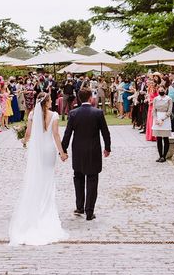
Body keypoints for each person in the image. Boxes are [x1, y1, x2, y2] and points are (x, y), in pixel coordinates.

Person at [8, 92, 69, 246]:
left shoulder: (32, 115)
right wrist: (62, 153)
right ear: (47, 102)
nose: (52, 101)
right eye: (50, 100)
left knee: (37, 179)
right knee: (48, 179)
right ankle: (46, 209)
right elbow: (55, 135)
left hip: (37, 152)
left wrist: (23, 140)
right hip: (48, 151)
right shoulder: (54, 115)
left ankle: (36, 209)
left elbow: (28, 134)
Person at [61, 88, 111, 221]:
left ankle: (79, 207)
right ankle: (89, 211)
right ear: (90, 98)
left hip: (78, 150)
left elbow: (68, 133)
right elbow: (105, 132)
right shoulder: (98, 113)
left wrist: (63, 149)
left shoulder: (73, 113)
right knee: (92, 179)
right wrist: (107, 148)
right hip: (93, 150)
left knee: (78, 178)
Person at [152, 86, 173, 162]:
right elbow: (153, 110)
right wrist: (156, 119)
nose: (161, 91)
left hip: (165, 119)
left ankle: (164, 156)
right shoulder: (155, 99)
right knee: (159, 139)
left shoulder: (169, 99)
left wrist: (163, 119)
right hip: (157, 119)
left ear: (165, 90)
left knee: (165, 138)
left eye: (162, 90)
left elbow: (170, 111)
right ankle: (160, 155)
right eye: (159, 90)